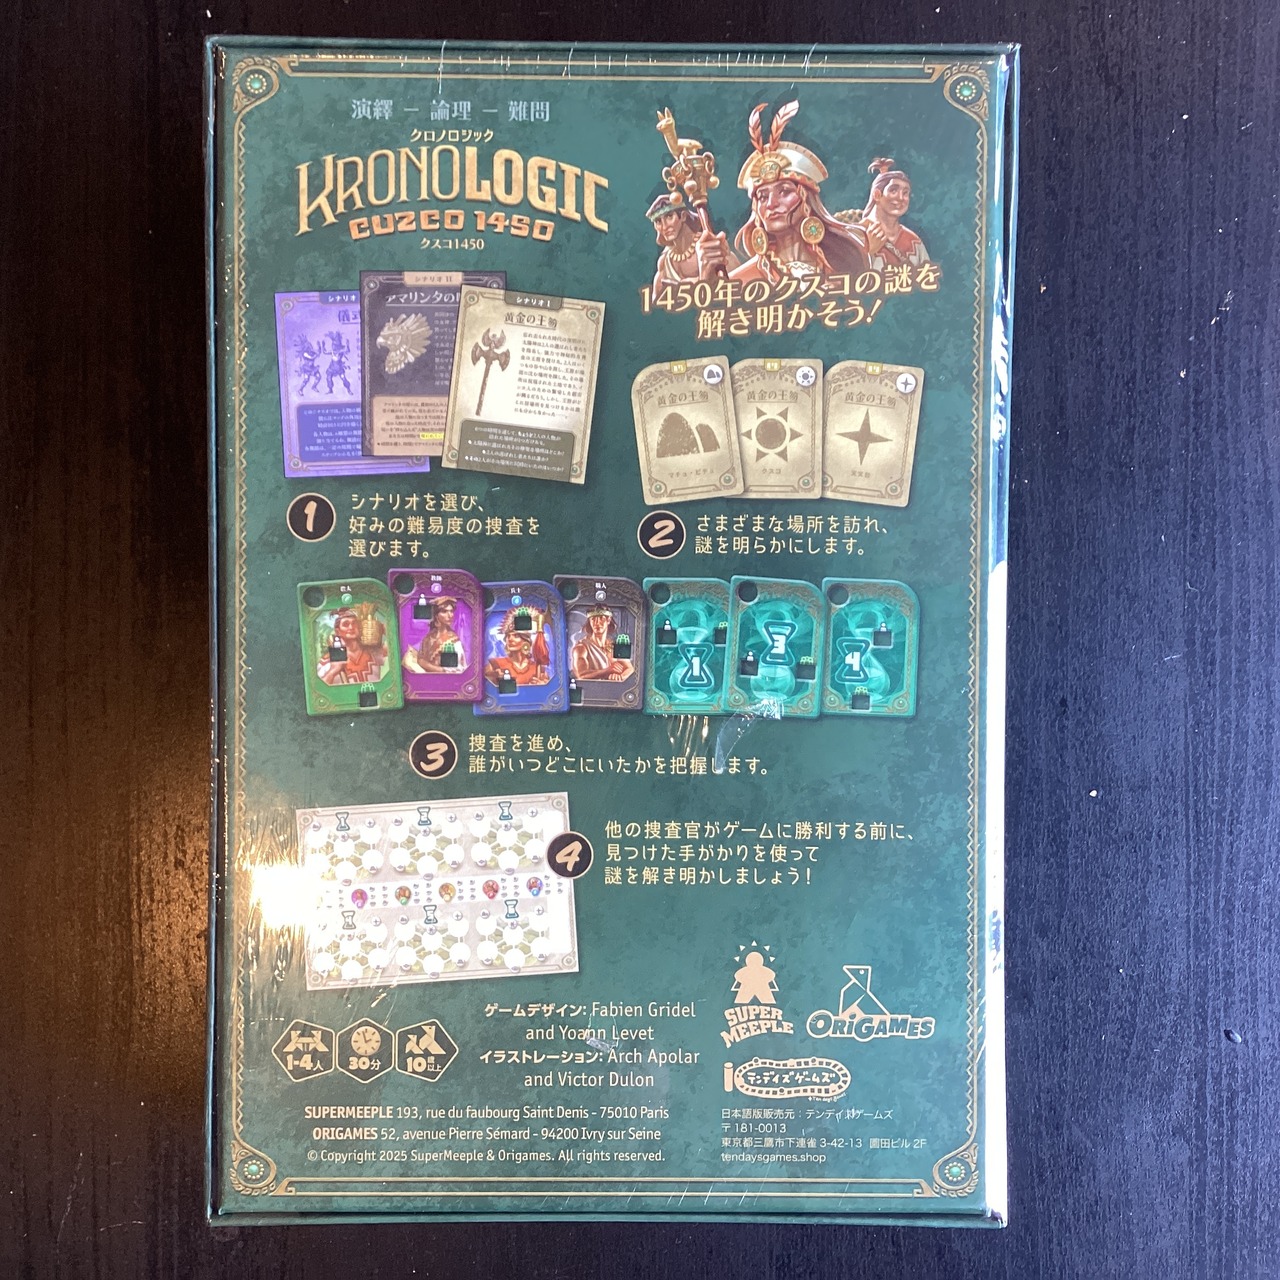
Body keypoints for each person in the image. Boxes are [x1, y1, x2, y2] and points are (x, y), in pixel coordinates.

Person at [694, 100, 871, 285]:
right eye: (762, 197)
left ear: (807, 199)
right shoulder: (746, 280)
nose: (771, 204)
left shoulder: (844, 265)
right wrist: (707, 279)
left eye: (785, 191)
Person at [646, 193, 739, 290]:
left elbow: (739, 283)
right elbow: (656, 298)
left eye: (669, 216)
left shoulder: (709, 246)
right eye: (658, 221)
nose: (665, 226)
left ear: (683, 216)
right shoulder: (665, 262)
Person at [856, 157, 933, 271]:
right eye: (893, 190)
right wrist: (869, 251)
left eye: (905, 193)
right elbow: (838, 277)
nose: (901, 198)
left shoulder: (913, 241)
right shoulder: (855, 235)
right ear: (877, 195)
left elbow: (928, 277)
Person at [317, 608, 386, 685]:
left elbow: (394, 651)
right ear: (337, 631)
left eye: (354, 623)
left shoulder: (373, 652)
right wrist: (333, 671)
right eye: (346, 624)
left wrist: (384, 629)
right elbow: (318, 687)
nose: (351, 627)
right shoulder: (327, 660)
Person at [484, 610, 551, 688]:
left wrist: (543, 686)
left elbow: (549, 689)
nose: (510, 639)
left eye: (516, 636)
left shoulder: (539, 669)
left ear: (526, 641)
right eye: (508, 636)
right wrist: (493, 680)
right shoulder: (494, 665)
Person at [570, 606, 634, 683]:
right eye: (593, 619)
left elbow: (630, 668)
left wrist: (620, 677)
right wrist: (607, 671)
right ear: (590, 621)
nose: (597, 623)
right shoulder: (581, 647)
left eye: (601, 618)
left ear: (608, 620)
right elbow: (581, 675)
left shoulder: (613, 645)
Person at [404, 596, 465, 674]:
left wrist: (429, 667)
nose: (450, 615)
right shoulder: (428, 638)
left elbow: (457, 670)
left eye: (451, 611)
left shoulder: (454, 641)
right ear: (436, 615)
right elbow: (421, 659)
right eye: (444, 611)